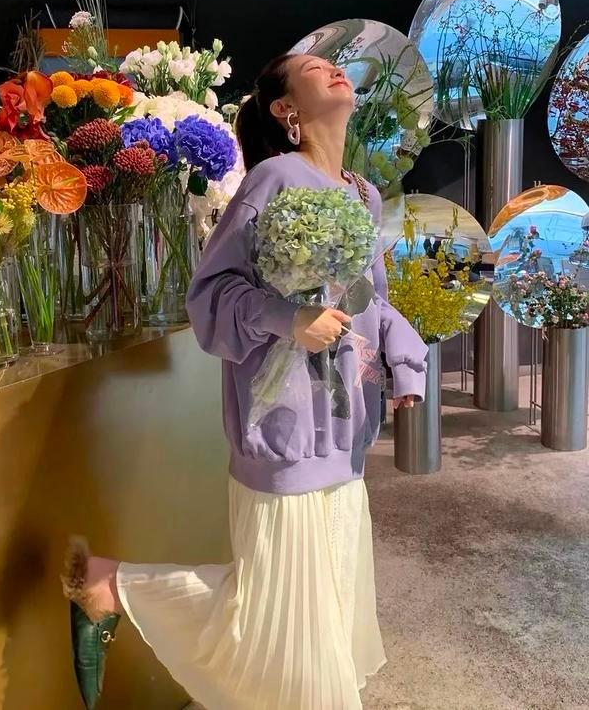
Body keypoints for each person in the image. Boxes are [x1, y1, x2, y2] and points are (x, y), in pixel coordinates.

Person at [62, 53, 429, 710]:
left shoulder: (364, 196)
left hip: (343, 432)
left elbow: (370, 300)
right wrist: (290, 318)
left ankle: (109, 585)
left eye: (334, 63)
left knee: (309, 619)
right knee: (275, 626)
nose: (334, 68)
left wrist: (404, 359)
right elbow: (210, 299)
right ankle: (112, 585)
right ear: (287, 109)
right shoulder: (273, 179)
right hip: (281, 430)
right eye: (314, 66)